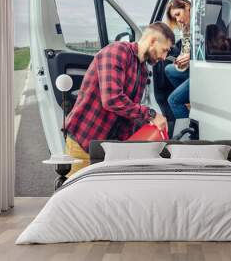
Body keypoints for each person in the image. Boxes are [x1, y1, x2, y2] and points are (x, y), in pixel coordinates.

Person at [65, 22, 175, 176]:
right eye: (164, 50)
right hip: (85, 142)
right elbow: (112, 100)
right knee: (75, 195)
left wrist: (147, 128)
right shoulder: (117, 52)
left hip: (108, 148)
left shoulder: (142, 70)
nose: (163, 57)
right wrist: (151, 115)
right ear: (152, 41)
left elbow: (128, 111)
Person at [165, 0, 191, 119]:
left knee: (173, 100)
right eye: (175, 17)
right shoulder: (186, 29)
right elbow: (185, 52)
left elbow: (209, 51)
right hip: (193, 69)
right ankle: (189, 100)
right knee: (169, 69)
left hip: (204, 72)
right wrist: (181, 62)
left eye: (178, 14)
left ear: (186, 6)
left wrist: (190, 58)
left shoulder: (203, 23)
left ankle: (191, 134)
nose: (178, 19)